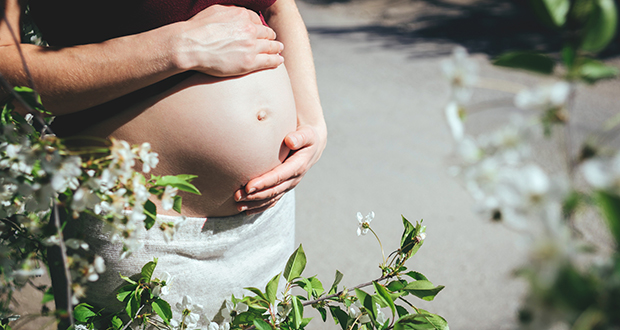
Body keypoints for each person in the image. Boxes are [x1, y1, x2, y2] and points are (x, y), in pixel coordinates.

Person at [0, 0, 327, 321]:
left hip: (267, 220)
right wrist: (178, 46)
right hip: (141, 233)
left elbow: (278, 7)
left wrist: (311, 119)